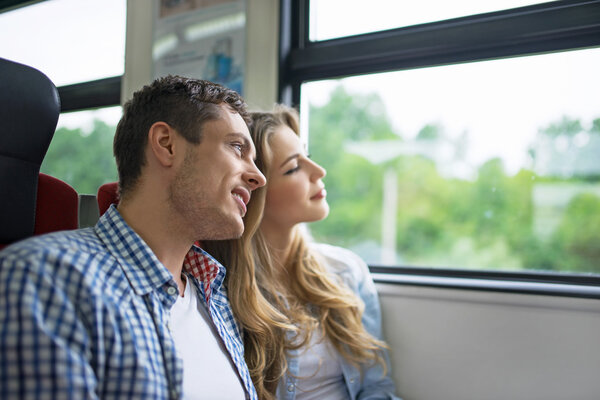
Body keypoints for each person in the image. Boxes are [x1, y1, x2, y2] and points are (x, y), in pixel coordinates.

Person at [0, 76, 266, 399]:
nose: (258, 177)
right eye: (237, 147)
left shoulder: (213, 292)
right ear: (167, 144)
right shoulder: (45, 278)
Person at [203, 105, 400, 400]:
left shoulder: (347, 271)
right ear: (253, 191)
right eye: (294, 167)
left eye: (307, 155)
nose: (319, 171)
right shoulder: (219, 291)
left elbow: (376, 387)